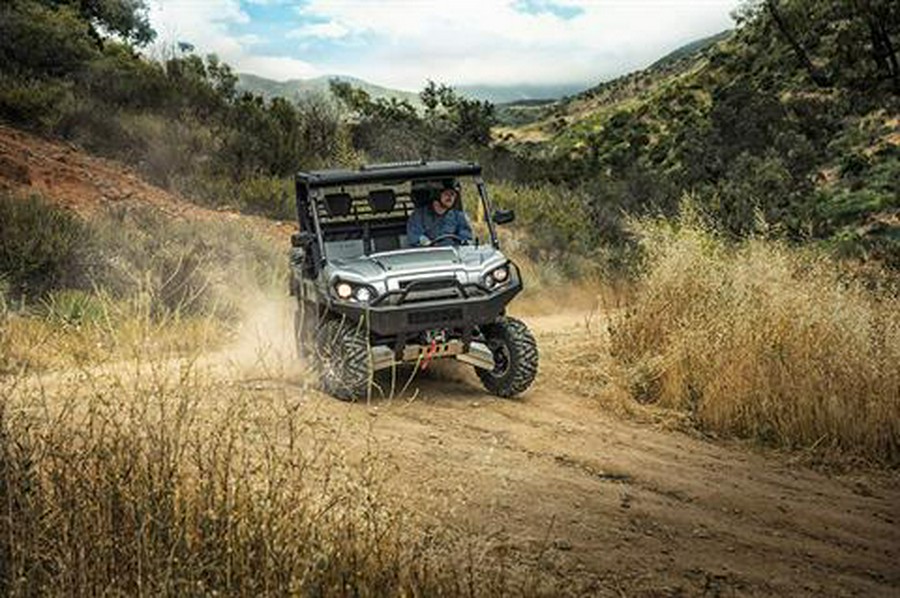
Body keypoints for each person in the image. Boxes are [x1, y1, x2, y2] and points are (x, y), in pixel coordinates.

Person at [407, 180, 474, 247]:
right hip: (429, 254)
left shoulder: (458, 216)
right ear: (437, 194)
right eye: (446, 194)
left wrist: (463, 241)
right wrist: (426, 242)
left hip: (452, 254)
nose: (450, 197)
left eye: (453, 194)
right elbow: (415, 236)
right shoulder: (418, 216)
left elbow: (466, 237)